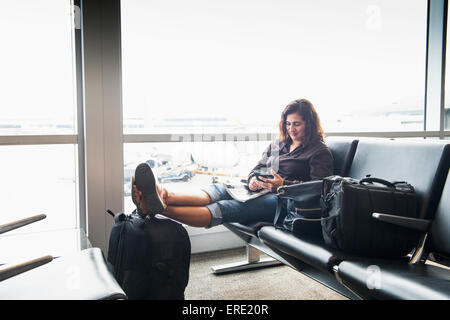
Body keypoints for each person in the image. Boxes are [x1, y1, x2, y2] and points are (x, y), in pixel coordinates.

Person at [132, 99, 334, 228]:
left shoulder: (319, 151)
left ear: (310, 123)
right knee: (218, 190)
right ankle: (160, 194)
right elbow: (256, 168)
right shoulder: (280, 143)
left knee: (225, 207)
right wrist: (254, 179)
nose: (291, 129)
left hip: (284, 202)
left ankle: (156, 207)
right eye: (288, 124)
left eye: (297, 124)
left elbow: (319, 189)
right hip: (259, 191)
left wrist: (283, 186)